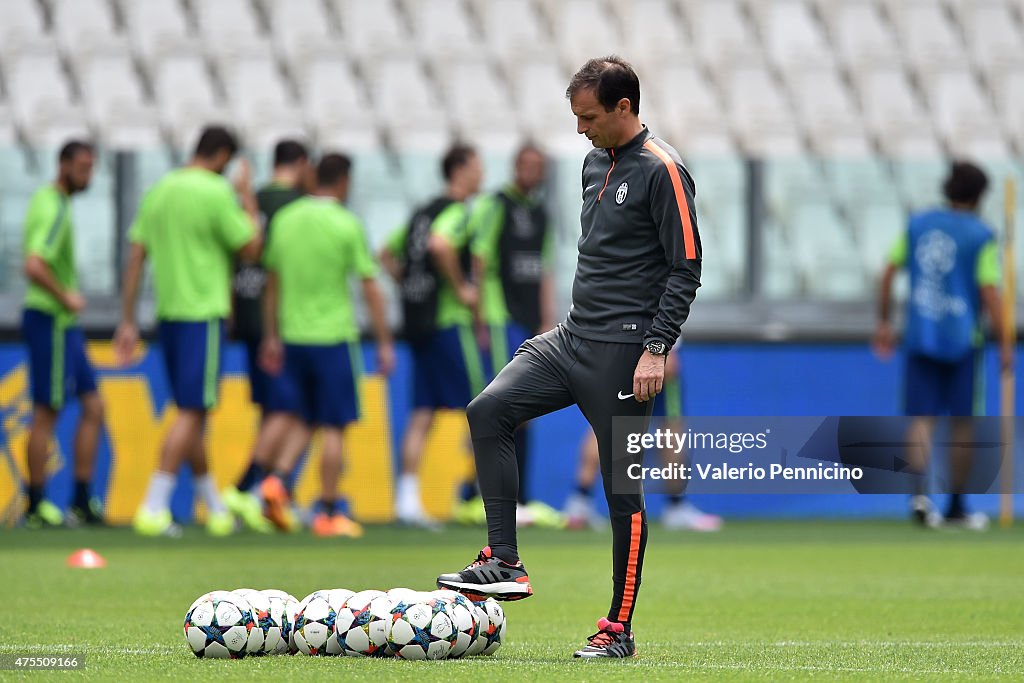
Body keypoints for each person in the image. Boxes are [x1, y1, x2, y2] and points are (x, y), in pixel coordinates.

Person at [436, 57, 702, 658]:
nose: (580, 129)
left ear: (624, 108)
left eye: (588, 117)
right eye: (575, 117)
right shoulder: (591, 162)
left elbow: (686, 267)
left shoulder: (663, 170)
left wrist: (656, 349)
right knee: (488, 410)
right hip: (572, 338)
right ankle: (503, 559)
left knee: (621, 494)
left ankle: (618, 630)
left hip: (626, 351)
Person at [114, 125, 261, 537]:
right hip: (203, 313)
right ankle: (152, 506)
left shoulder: (160, 190)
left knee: (190, 410)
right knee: (194, 411)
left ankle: (214, 508)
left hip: (169, 316)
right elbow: (251, 247)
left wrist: (127, 319)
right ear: (221, 156)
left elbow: (136, 256)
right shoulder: (216, 191)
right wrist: (247, 196)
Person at [260, 153, 395, 538]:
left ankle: (278, 482)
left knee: (306, 417)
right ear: (343, 182)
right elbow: (370, 287)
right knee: (335, 425)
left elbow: (272, 282)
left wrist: (271, 335)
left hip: (291, 336)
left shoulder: (285, 220)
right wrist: (384, 341)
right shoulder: (345, 223)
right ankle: (328, 510)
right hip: (332, 337)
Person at [873, 160, 1012, 530]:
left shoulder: (918, 225)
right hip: (964, 340)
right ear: (980, 195)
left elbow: (887, 271)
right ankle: (956, 507)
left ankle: (919, 496)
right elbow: (989, 292)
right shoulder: (981, 235)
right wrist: (1007, 342)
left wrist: (885, 321)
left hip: (920, 334)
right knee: (962, 424)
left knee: (920, 419)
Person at [453, 143, 563, 529]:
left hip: (530, 320)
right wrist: (480, 317)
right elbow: (480, 258)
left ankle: (512, 497)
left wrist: (547, 318)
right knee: (504, 406)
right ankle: (481, 496)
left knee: (523, 411)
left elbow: (545, 268)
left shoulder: (542, 213)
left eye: (538, 166)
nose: (532, 171)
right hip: (501, 317)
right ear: (515, 166)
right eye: (526, 165)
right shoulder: (495, 205)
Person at [379, 144, 486, 527]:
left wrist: (409, 286)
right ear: (459, 170)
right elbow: (441, 246)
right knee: (485, 406)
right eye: (477, 167)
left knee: (423, 412)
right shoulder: (457, 212)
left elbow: (386, 254)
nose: (482, 175)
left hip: (418, 324)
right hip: (449, 324)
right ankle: (479, 498)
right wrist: (460, 288)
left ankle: (406, 499)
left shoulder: (422, 213)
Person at [222, 139, 312, 533]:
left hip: (245, 309)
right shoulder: (298, 206)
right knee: (289, 407)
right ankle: (247, 488)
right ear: (302, 164)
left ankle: (264, 495)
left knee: (275, 407)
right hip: (281, 318)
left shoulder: (253, 199)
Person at [20, 141, 105, 528]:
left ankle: (81, 500)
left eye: (92, 167)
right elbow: (34, 264)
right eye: (83, 167)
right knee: (46, 411)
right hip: (50, 318)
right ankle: (37, 504)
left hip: (63, 326)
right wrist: (65, 296)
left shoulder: (56, 203)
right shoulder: (53, 205)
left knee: (94, 406)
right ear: (63, 164)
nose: (88, 174)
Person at [564, 348, 722, 532]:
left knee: (606, 423)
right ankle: (676, 507)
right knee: (670, 427)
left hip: (612, 351)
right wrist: (666, 352)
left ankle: (580, 501)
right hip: (649, 352)